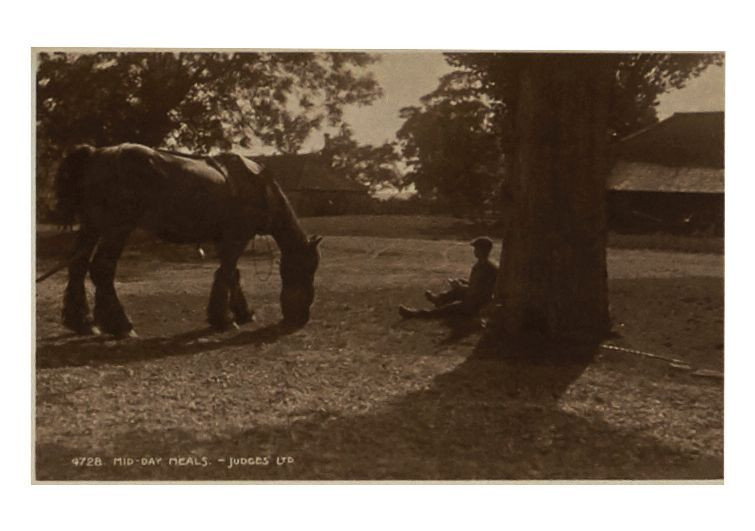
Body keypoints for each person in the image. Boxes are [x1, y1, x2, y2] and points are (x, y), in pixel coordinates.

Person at [399, 236, 499, 319]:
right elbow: (476, 286)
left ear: (482, 250)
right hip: (475, 298)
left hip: (477, 303)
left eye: (476, 249)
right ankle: (439, 299)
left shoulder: (487, 269)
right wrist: (462, 283)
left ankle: (415, 314)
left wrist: (460, 286)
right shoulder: (483, 265)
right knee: (457, 291)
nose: (474, 251)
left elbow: (478, 291)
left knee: (446, 310)